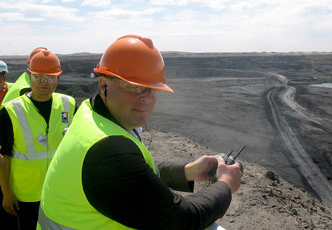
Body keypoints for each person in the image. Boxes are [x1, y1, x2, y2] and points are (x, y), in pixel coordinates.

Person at [38, 34, 242, 230]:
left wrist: (187, 171)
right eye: (134, 87)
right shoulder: (106, 149)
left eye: (152, 88)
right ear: (103, 85)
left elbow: (134, 174)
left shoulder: (91, 114)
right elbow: (181, 219)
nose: (146, 97)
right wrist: (225, 185)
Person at [0, 50, 76, 229]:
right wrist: (6, 193)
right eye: (38, 77)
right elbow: (3, 156)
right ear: (30, 76)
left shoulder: (69, 104)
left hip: (57, 189)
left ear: (58, 79)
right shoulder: (10, 111)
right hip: (24, 194)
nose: (44, 82)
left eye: (50, 78)